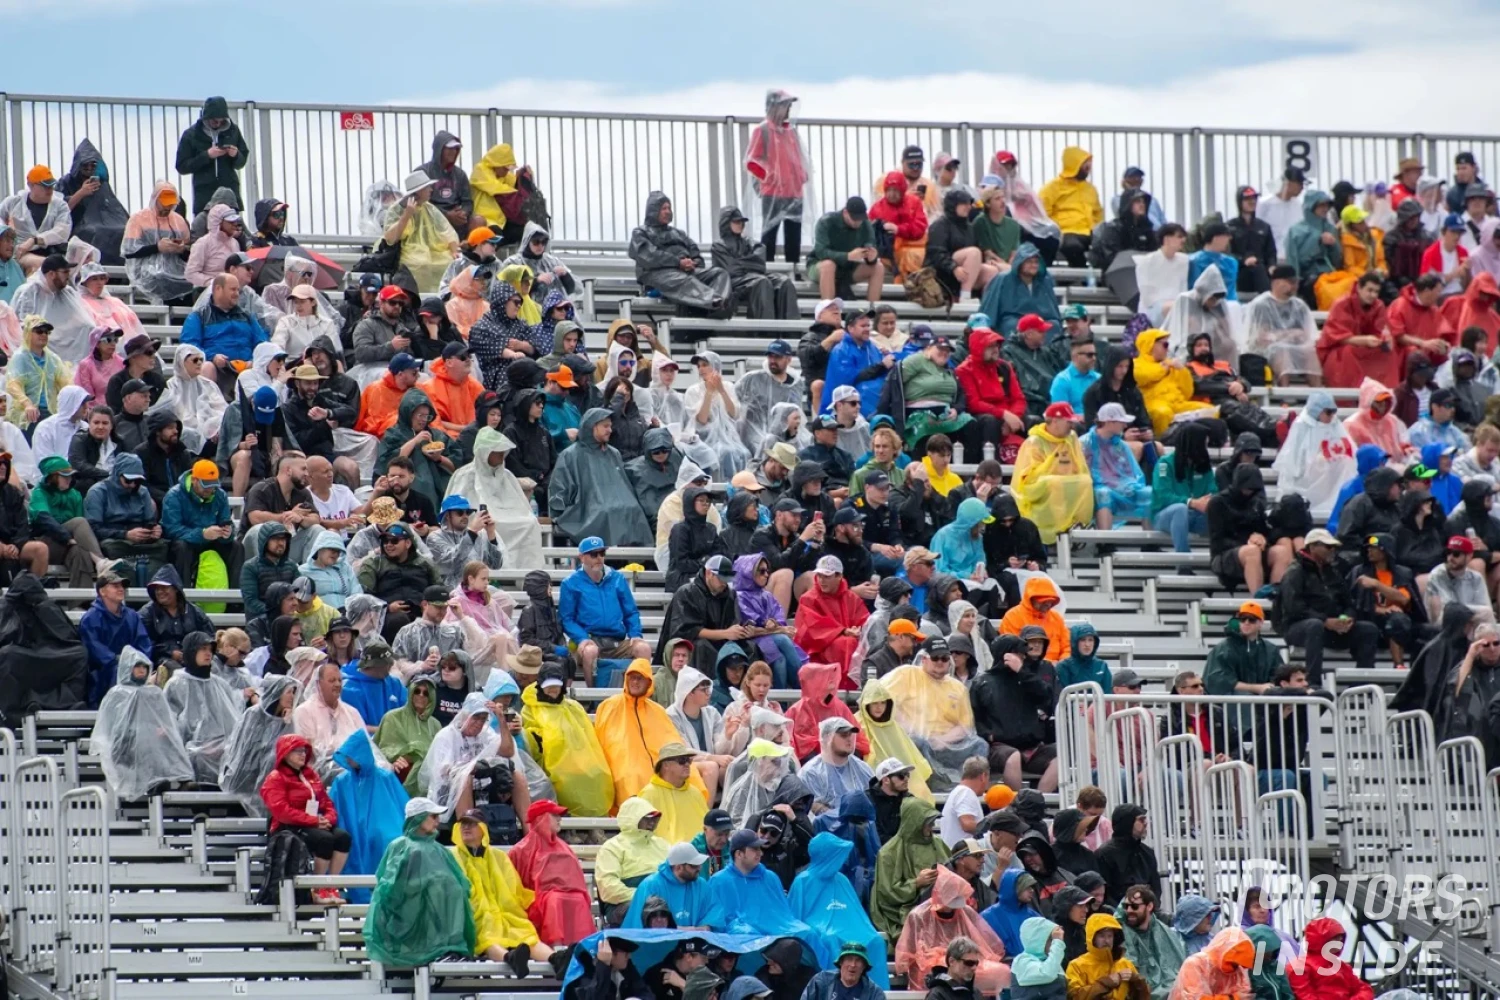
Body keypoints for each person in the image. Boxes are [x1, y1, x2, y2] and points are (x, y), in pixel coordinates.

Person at [257, 734, 351, 904]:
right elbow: (281, 811)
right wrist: (313, 821)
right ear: (285, 753)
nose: (302, 754)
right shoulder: (276, 778)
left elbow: (327, 803)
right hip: (288, 827)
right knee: (325, 840)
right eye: (297, 751)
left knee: (343, 837)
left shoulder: (311, 776)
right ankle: (316, 889)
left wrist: (327, 818)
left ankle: (330, 886)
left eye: (304, 750)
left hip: (312, 824)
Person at [1278, 529, 1380, 685]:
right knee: (1315, 625)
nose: (1332, 550)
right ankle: (1313, 682)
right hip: (1297, 627)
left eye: (1333, 547)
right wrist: (1326, 621)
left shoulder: (1333, 572)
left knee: (1368, 630)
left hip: (1330, 629)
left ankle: (1362, 684)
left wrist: (1347, 619)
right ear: (1312, 547)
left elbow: (1349, 603)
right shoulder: (1295, 572)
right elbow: (1294, 608)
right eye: (1327, 547)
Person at [628, 191, 732, 315]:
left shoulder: (679, 233)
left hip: (686, 271)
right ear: (653, 211)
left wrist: (694, 263)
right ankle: (716, 302)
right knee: (684, 280)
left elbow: (695, 253)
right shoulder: (640, 232)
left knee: (719, 273)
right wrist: (678, 263)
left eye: (669, 208)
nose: (668, 211)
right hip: (657, 274)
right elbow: (648, 256)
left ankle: (719, 308)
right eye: (663, 208)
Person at [1011, 403, 1094, 544]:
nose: (1072, 426)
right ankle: (1056, 531)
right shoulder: (1034, 442)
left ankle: (1079, 525)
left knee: (1086, 481)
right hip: (1038, 488)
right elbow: (1029, 478)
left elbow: (1080, 466)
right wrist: (1053, 468)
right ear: (1055, 421)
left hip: (1066, 483)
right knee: (1054, 483)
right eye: (1068, 422)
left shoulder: (1071, 438)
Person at [1273, 394, 1357, 512]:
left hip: (1330, 474)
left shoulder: (1335, 424)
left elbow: (1349, 449)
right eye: (1328, 412)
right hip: (1306, 477)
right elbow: (1294, 460)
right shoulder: (1301, 426)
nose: (1332, 416)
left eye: (1334, 411)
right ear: (1317, 411)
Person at [794, 556, 869, 685]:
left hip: (845, 642)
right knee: (846, 644)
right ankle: (845, 688)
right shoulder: (808, 599)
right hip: (818, 648)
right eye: (819, 576)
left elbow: (864, 620)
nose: (822, 580)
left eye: (827, 576)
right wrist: (843, 631)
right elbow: (811, 628)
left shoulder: (852, 598)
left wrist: (859, 631)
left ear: (839, 576)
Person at [1244, 266, 1322, 385]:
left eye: (1296, 282)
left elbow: (1310, 334)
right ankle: (1285, 394)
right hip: (1266, 350)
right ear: (1277, 282)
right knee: (1281, 350)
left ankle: (1317, 391)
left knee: (1310, 351)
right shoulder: (1261, 305)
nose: (1295, 286)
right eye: (1291, 282)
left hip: (1295, 345)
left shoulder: (1299, 306)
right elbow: (1260, 337)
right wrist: (1288, 334)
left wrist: (1295, 336)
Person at [1114, 886, 1185, 1000]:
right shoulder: (1120, 933)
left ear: (1149, 906)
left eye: (1135, 906)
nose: (1129, 910)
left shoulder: (1164, 932)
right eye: (1126, 906)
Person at [1039, 147, 1103, 268]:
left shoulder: (1091, 189)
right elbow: (1042, 212)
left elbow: (1098, 213)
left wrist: (1098, 229)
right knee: (1072, 247)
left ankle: (1101, 279)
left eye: (1089, 163)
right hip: (1067, 232)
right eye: (1085, 163)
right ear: (1074, 164)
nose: (1088, 167)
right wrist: (1055, 228)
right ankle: (1084, 278)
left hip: (1090, 232)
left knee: (1108, 245)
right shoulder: (1053, 187)